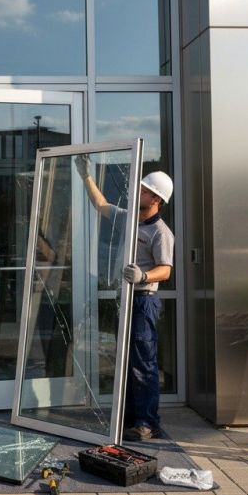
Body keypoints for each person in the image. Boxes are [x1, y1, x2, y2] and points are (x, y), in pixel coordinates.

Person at [76, 159, 174, 441]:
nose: (137, 191)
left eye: (143, 189)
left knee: (144, 362)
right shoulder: (130, 220)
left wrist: (143, 276)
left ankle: (147, 423)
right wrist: (86, 178)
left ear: (155, 198)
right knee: (128, 360)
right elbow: (102, 205)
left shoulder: (160, 232)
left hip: (144, 301)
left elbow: (165, 270)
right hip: (127, 298)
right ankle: (131, 417)